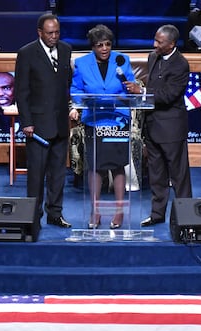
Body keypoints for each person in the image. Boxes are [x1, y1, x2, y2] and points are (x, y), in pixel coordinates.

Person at [123, 25, 193, 227]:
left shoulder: (181, 64)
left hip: (171, 128)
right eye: (155, 40)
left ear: (172, 44)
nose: (155, 45)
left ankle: (186, 216)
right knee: (156, 174)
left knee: (179, 176)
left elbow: (169, 95)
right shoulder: (153, 57)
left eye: (159, 42)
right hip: (151, 125)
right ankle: (157, 214)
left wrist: (141, 92)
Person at [69, 24, 135, 230]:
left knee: (117, 165)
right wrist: (86, 100)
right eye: (100, 45)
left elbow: (131, 87)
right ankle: (95, 210)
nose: (105, 48)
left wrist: (118, 97)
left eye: (107, 44)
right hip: (95, 119)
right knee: (95, 165)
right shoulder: (81, 63)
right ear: (93, 47)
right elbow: (75, 89)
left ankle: (119, 211)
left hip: (117, 119)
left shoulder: (122, 60)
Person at [15, 13, 73, 228]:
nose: (54, 36)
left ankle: (55, 214)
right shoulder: (27, 53)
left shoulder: (66, 50)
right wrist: (27, 122)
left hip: (59, 124)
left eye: (57, 32)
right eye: (50, 33)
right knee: (37, 176)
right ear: (40, 32)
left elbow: (65, 85)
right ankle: (33, 216)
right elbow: (22, 91)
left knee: (58, 174)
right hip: (37, 126)